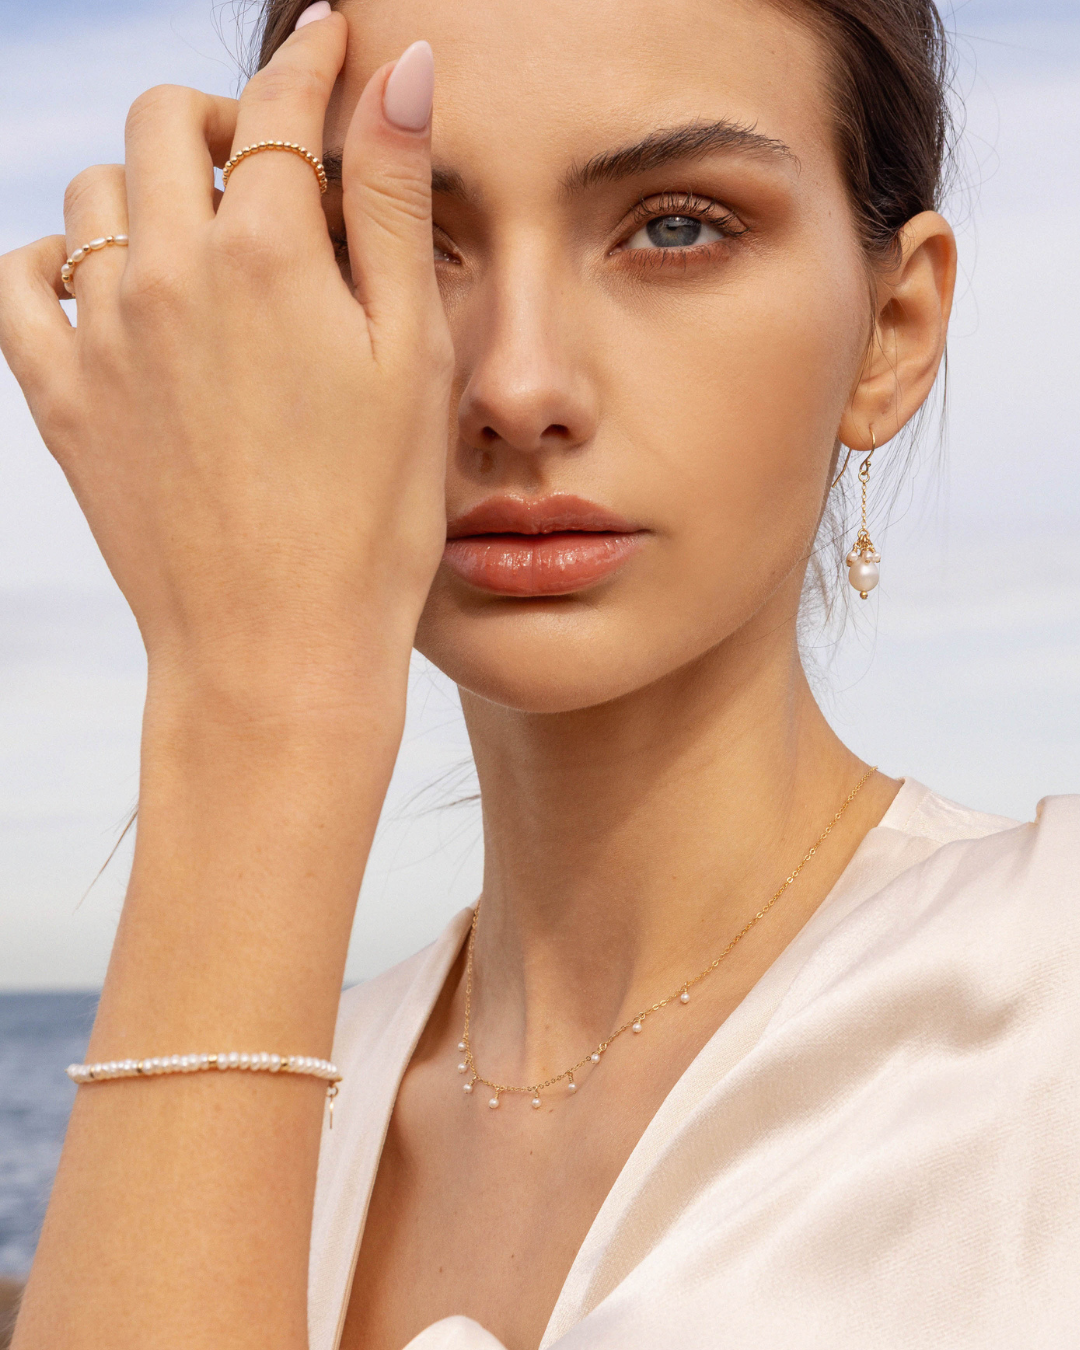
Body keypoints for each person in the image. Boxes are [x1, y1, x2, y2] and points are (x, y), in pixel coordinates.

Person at [1, 0, 1077, 1346]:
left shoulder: (1051, 991)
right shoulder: (260, 1070)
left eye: (675, 225)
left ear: (894, 328)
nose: (517, 382)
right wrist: (250, 697)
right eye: (401, 236)